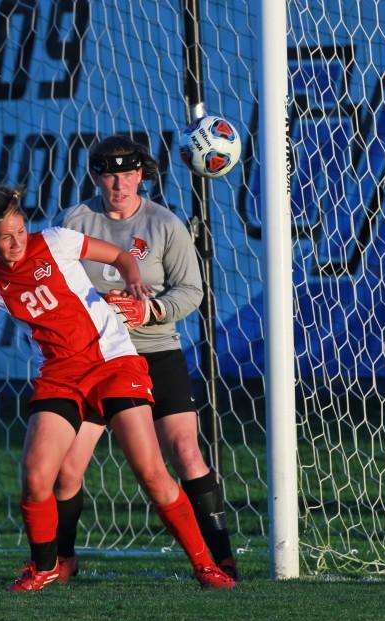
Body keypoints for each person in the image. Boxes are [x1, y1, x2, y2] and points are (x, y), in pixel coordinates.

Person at [0, 184, 235, 591]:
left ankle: (205, 565)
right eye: (6, 236)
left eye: (20, 230)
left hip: (112, 362)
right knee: (37, 476)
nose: (17, 242)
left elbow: (122, 256)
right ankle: (45, 566)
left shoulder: (56, 240)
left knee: (152, 472)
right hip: (60, 376)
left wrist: (135, 281)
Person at [53, 135, 238, 582]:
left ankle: (221, 559)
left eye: (128, 173)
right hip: (96, 360)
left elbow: (191, 291)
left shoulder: (165, 224)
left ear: (142, 174)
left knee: (185, 451)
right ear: (95, 176)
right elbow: (55, 284)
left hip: (156, 351)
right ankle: (62, 559)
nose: (119, 183)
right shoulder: (74, 221)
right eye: (109, 174)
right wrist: (96, 308)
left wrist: (148, 309)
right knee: (66, 469)